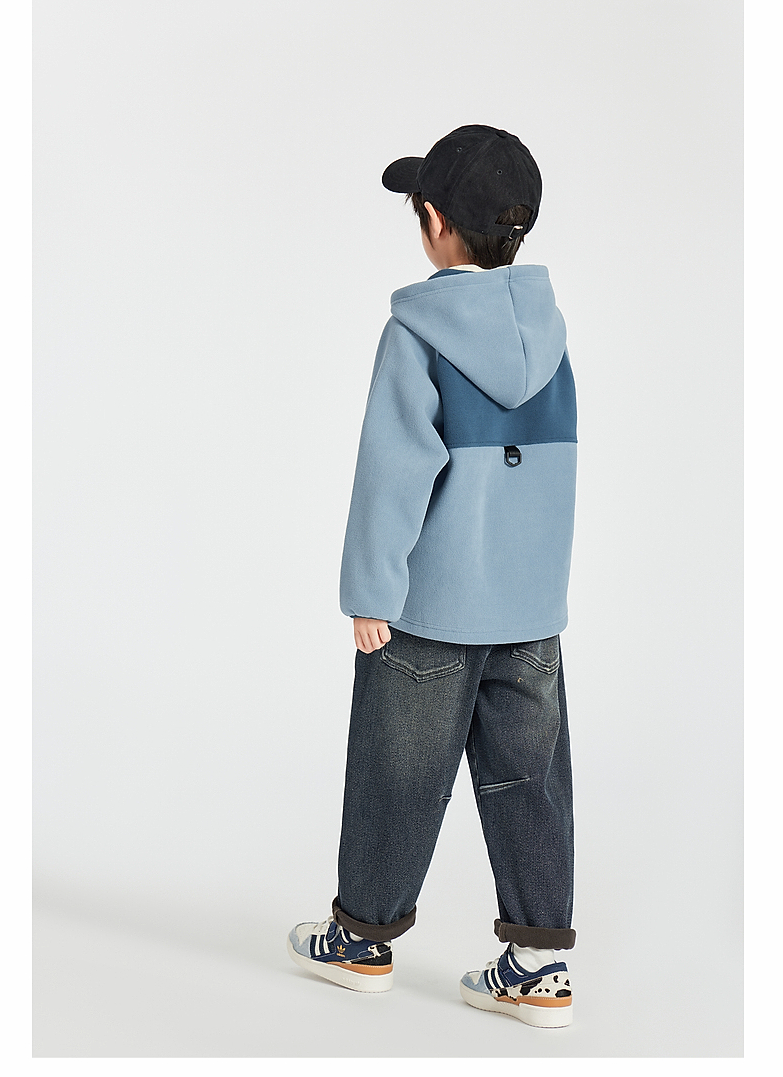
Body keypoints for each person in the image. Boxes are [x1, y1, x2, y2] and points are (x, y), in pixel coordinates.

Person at [287, 124, 577, 1028]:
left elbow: (395, 470)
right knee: (530, 782)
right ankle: (538, 967)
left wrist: (371, 589)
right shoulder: (550, 334)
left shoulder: (415, 330)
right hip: (530, 610)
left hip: (430, 607)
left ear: (434, 221)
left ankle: (361, 939)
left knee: (397, 771)